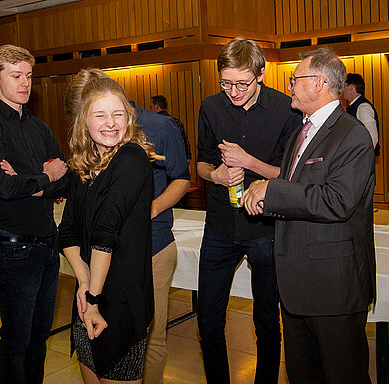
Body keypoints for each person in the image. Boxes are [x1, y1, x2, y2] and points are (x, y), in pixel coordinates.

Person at [242, 47, 376, 384]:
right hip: (296, 283)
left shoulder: (352, 135)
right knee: (303, 374)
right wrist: (266, 199)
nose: (289, 86)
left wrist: (270, 190)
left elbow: (337, 200)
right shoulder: (300, 132)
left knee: (342, 373)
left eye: (294, 79)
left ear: (317, 84)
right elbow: (295, 192)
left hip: (333, 286)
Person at [65, 69, 190, 384]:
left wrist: (92, 296)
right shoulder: (85, 163)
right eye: (99, 114)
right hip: (91, 285)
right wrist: (84, 283)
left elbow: (105, 236)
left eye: (117, 114)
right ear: (82, 120)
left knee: (146, 348)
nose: (110, 122)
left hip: (121, 288)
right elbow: (67, 230)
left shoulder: (132, 157)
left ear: (128, 117)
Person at [196, 37, 300, 383]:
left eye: (242, 84)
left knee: (267, 319)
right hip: (220, 226)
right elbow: (200, 163)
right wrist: (216, 174)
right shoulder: (211, 107)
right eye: (226, 83)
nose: (234, 92)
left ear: (261, 74)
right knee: (208, 320)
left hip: (265, 229)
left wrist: (248, 161)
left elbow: (292, 175)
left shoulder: (287, 109)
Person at [0, 44, 68, 384]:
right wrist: (45, 177)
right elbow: (3, 188)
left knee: (41, 335)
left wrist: (35, 182)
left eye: (28, 76)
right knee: (16, 340)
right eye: (16, 76)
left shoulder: (40, 128)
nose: (25, 83)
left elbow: (66, 180)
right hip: (15, 247)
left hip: (47, 242)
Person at [343, 73, 380, 155]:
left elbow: (372, 138)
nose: (342, 89)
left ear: (351, 87)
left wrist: (360, 158)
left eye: (344, 86)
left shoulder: (363, 107)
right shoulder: (354, 106)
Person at [150, 95, 192, 161]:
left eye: (151, 107)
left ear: (156, 107)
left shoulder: (153, 123)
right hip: (179, 161)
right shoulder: (177, 122)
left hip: (161, 162)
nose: (150, 110)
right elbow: (185, 144)